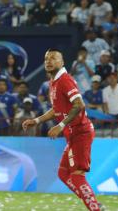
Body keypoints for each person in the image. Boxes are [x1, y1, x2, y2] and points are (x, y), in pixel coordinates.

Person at [22, 49, 101, 211]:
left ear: (62, 62)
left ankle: (95, 208)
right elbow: (56, 109)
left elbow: (79, 105)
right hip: (72, 133)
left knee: (77, 176)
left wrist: (60, 125)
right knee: (64, 173)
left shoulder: (65, 80)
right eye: (46, 59)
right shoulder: (53, 82)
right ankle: (92, 201)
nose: (48, 61)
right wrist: (36, 121)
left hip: (80, 132)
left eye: (53, 58)